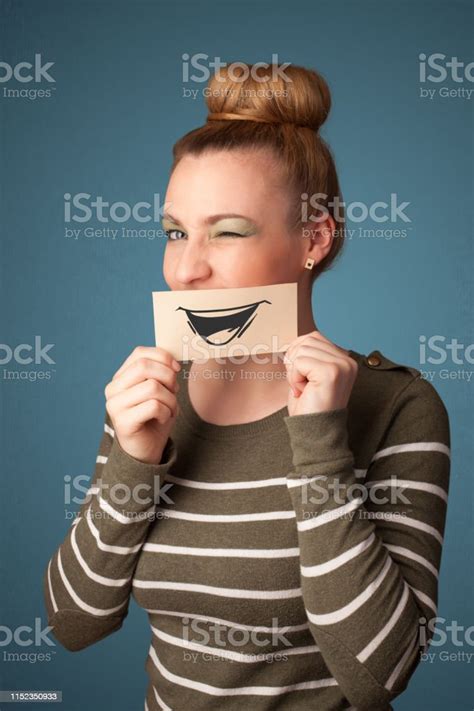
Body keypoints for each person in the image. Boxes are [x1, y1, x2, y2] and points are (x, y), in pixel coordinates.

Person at [42, 63, 451, 711]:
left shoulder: (398, 405)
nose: (185, 268)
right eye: (175, 232)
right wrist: (133, 458)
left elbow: (380, 674)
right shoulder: (152, 399)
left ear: (313, 238)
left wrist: (319, 446)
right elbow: (73, 622)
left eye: (227, 232)